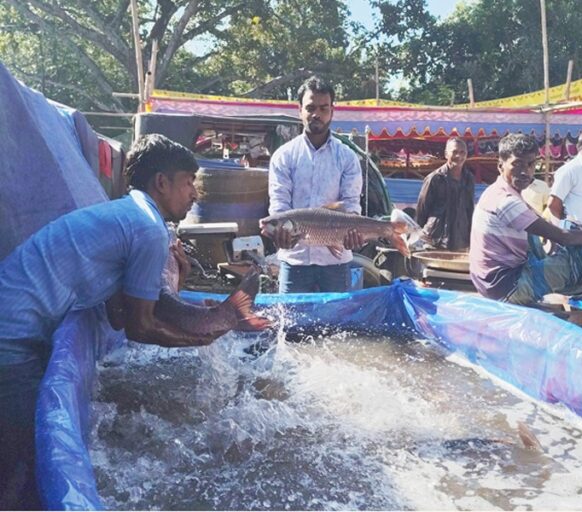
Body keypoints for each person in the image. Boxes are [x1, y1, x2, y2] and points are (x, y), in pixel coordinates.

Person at [0, 134, 245, 509]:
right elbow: (138, 327)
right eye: (188, 183)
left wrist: (196, 313)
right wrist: (201, 336)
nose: (195, 194)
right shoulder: (147, 228)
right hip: (12, 334)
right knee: (24, 458)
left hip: (15, 315)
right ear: (161, 183)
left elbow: (118, 314)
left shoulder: (130, 214)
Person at [469, 133, 582, 340]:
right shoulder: (504, 200)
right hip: (507, 286)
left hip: (499, 282)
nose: (524, 172)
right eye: (517, 164)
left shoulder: (503, 192)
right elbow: (563, 237)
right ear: (500, 165)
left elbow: (550, 227)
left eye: (530, 165)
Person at [268, 76, 364, 293]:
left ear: (332, 111)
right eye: (310, 107)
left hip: (336, 263)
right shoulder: (284, 156)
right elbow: (279, 206)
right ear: (299, 109)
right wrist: (280, 232)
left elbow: (351, 205)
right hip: (295, 263)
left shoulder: (347, 157)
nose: (316, 114)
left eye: (323, 108)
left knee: (338, 325)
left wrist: (354, 233)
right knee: (291, 325)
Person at [415, 137, 475, 251]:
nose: (459, 156)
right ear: (446, 154)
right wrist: (421, 235)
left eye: (462, 152)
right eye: (455, 152)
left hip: (460, 241)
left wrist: (470, 236)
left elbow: (469, 209)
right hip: (435, 240)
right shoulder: (435, 178)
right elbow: (421, 211)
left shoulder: (469, 179)